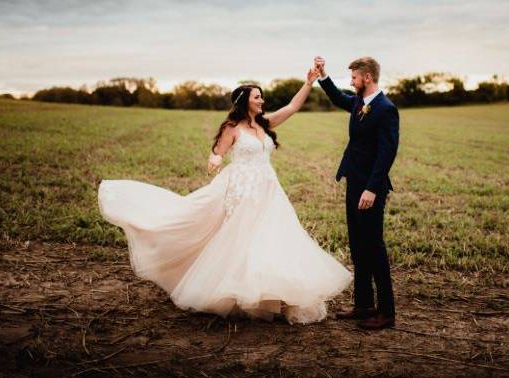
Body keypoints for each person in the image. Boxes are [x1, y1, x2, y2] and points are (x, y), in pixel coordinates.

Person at [98, 68, 352, 324]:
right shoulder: (232, 128)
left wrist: (309, 83)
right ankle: (238, 292)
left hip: (268, 189)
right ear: (245, 102)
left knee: (272, 237)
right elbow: (218, 152)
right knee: (242, 238)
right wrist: (214, 160)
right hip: (241, 189)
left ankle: (274, 294)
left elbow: (292, 106)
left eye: (261, 97)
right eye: (257, 97)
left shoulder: (265, 123)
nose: (262, 101)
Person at [313, 55, 399, 330]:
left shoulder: (385, 109)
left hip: (370, 189)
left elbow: (387, 153)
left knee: (374, 247)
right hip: (354, 183)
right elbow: (339, 98)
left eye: (354, 78)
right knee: (358, 247)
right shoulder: (359, 103)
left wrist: (373, 189)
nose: (351, 82)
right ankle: (363, 305)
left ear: (368, 78)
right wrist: (322, 76)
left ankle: (386, 312)